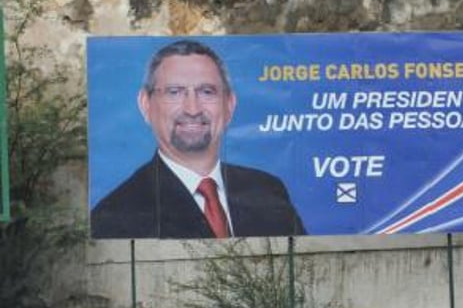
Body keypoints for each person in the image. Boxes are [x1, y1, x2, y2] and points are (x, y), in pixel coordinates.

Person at [90, 39, 306, 239]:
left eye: (207, 91)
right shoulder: (116, 215)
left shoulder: (267, 191)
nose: (192, 109)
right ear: (146, 105)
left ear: (229, 105)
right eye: (174, 92)